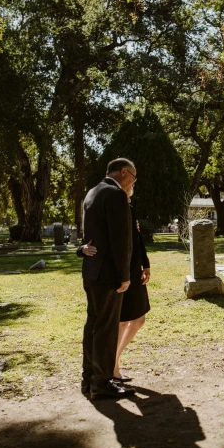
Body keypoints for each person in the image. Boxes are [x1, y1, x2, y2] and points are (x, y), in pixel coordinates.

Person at [78, 158, 137, 399]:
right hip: (108, 275)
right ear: (123, 172)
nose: (132, 183)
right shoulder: (115, 195)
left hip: (91, 270)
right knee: (106, 329)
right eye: (132, 178)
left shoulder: (92, 193)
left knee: (93, 326)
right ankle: (101, 384)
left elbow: (90, 234)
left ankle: (88, 379)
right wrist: (124, 275)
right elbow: (120, 240)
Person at [80, 184, 151, 382]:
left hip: (134, 271)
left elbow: (136, 239)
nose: (131, 188)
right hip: (119, 274)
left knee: (138, 320)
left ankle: (113, 361)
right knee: (118, 322)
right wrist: (82, 248)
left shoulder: (130, 209)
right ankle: (112, 367)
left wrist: (145, 264)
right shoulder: (110, 208)